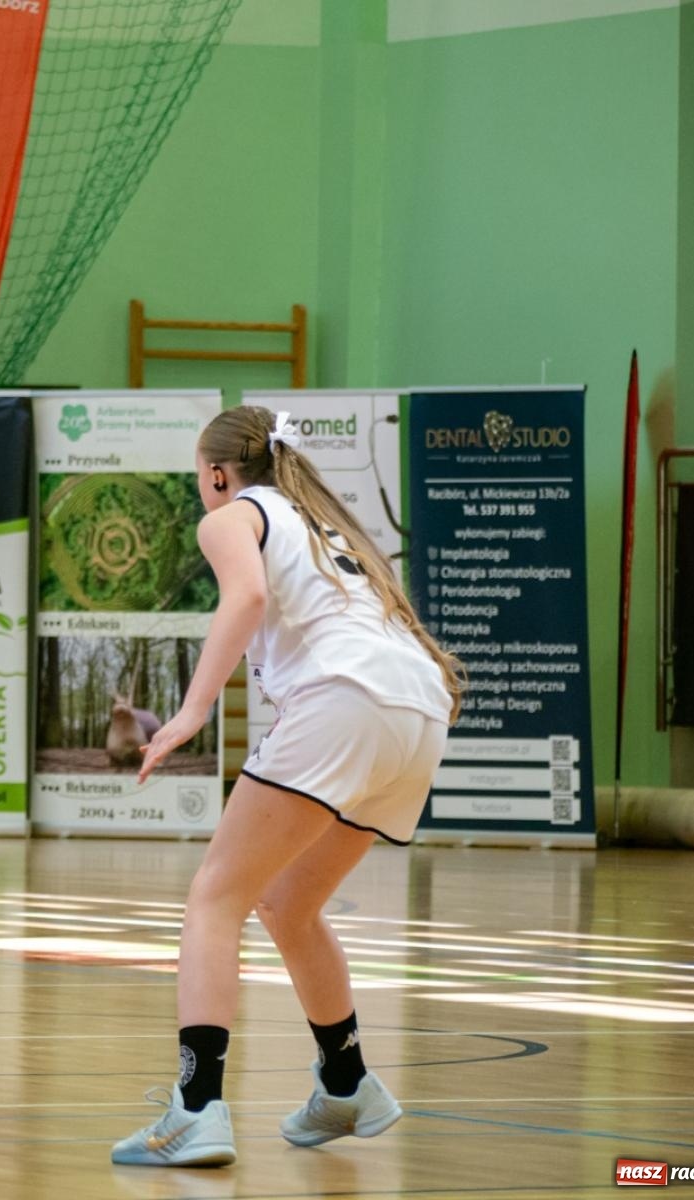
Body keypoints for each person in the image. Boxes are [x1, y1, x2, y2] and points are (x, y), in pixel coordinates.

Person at [110, 407, 463, 1168]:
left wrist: (191, 711)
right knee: (288, 902)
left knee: (216, 897)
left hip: (346, 697)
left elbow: (246, 600)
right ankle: (347, 1083)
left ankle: (196, 1108)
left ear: (215, 473)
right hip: (421, 709)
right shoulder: (323, 518)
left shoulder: (233, 514)